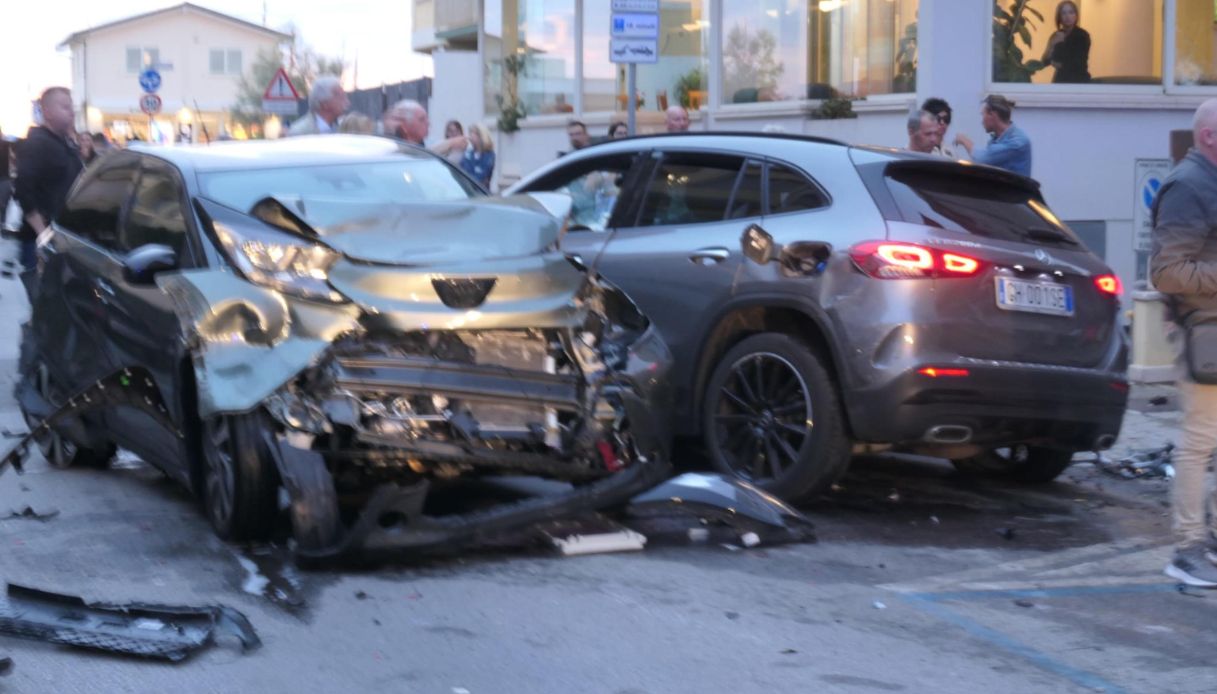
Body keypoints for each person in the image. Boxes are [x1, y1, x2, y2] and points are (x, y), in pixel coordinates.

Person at [1150, 98, 1217, 588]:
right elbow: (1167, 272)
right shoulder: (1190, 185)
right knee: (1198, 443)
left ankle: (1204, 541)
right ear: (1210, 137)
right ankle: (1187, 549)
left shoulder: (1205, 182)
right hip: (1206, 333)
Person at [13, 87, 82, 271]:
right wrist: (42, 233)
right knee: (44, 295)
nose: (72, 112)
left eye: (71, 107)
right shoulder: (37, 144)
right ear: (48, 112)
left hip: (66, 236)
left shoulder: (65, 144)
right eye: (65, 107)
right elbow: (23, 189)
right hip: (41, 240)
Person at [953, 95, 1031, 177]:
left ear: (992, 115)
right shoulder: (998, 139)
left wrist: (964, 140)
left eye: (983, 115)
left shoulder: (1017, 142)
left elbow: (981, 159)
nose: (982, 121)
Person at [1042, 1, 1090, 84]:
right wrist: (1052, 45)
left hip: (1079, 81)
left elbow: (1078, 64)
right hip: (1060, 81)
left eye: (1071, 12)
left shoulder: (1082, 35)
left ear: (1076, 15)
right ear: (1059, 17)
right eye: (1063, 13)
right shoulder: (1056, 35)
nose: (1068, 16)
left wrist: (1056, 64)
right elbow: (1044, 62)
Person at [460, 123, 495, 189]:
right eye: (470, 133)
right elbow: (462, 171)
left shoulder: (489, 155)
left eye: (473, 133)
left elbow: (481, 175)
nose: (470, 136)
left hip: (480, 192)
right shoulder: (468, 153)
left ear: (481, 136)